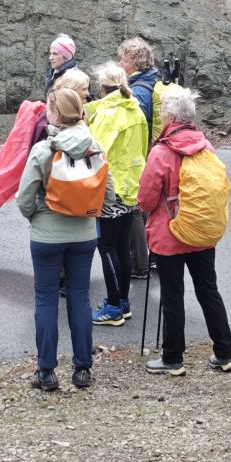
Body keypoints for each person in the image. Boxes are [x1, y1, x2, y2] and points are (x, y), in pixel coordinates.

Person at [17, 87, 115, 391]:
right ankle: (82, 368)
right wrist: (89, 214)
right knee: (80, 298)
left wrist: (38, 215)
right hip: (84, 235)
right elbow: (108, 194)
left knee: (45, 299)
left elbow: (24, 198)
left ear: (55, 113)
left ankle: (46, 371)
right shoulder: (94, 147)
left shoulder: (43, 150)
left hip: (47, 236)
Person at [136, 89, 231, 375]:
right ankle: (225, 352)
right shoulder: (206, 146)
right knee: (209, 291)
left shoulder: (162, 152)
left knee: (173, 296)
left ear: (169, 117)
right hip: (202, 232)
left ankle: (172, 358)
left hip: (170, 236)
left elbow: (145, 198)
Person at [85, 62, 148, 326]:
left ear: (101, 87)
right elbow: (144, 147)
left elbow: (94, 149)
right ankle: (122, 301)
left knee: (106, 247)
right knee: (122, 246)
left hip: (112, 189)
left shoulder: (109, 112)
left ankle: (113, 306)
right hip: (132, 186)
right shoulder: (135, 109)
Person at [118, 37, 161, 135]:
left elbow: (135, 129)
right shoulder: (153, 78)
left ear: (137, 65)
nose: (120, 64)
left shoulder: (137, 92)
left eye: (125, 61)